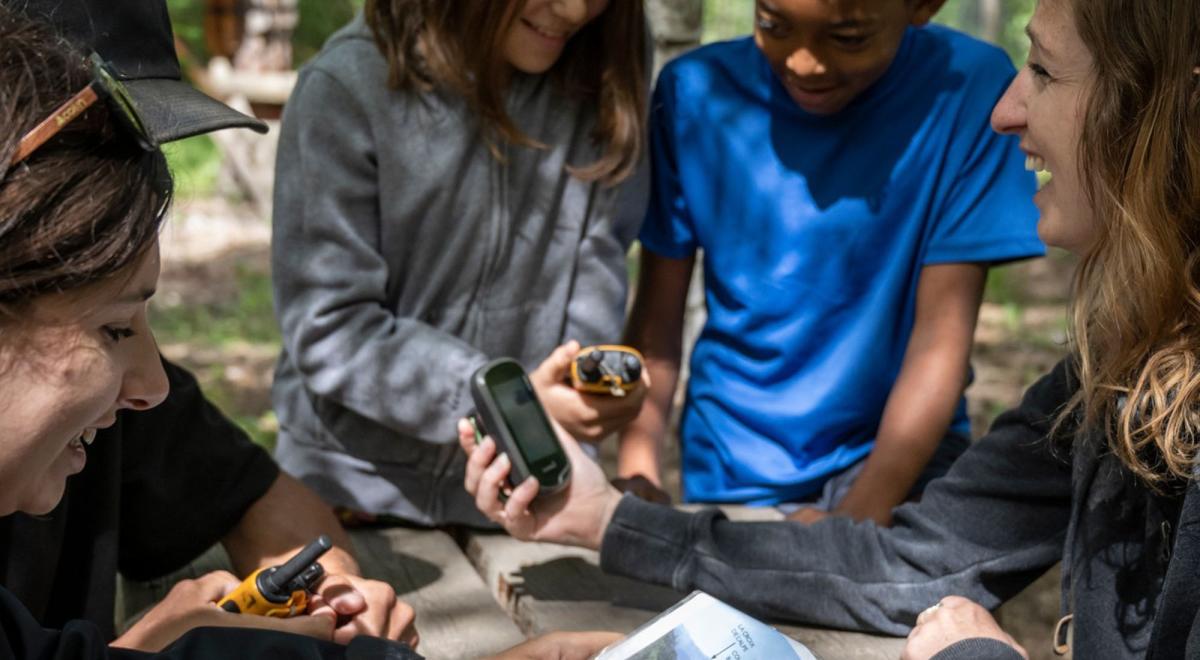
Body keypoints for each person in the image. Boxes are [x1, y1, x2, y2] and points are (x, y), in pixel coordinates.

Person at [461, 0, 1200, 656]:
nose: (1007, 110)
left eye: (1042, 69)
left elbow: (937, 358)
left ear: (1165, 108)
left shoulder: (959, 96)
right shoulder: (1118, 364)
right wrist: (605, 514)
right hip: (740, 477)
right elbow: (919, 561)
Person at [0, 5, 624, 660]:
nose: (151, 385)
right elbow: (336, 327)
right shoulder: (352, 86)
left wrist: (336, 603)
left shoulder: (116, 414)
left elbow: (250, 492)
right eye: (113, 326)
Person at [0, 0, 418, 648]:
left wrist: (330, 596)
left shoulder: (104, 398)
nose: (138, 180)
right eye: (95, 142)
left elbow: (264, 504)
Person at [615, 0, 1043, 522]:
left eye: (848, 38)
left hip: (900, 456)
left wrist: (848, 527)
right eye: (773, 25)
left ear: (923, 6)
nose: (804, 63)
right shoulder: (695, 95)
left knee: (933, 602)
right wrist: (640, 469)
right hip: (738, 470)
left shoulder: (970, 92)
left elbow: (940, 342)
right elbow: (656, 323)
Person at [269, 0, 652, 527]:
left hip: (525, 503)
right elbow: (331, 325)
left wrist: (579, 392)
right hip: (350, 498)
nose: (574, 9)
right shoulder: (346, 86)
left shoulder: (602, 74)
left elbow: (599, 274)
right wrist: (509, 406)